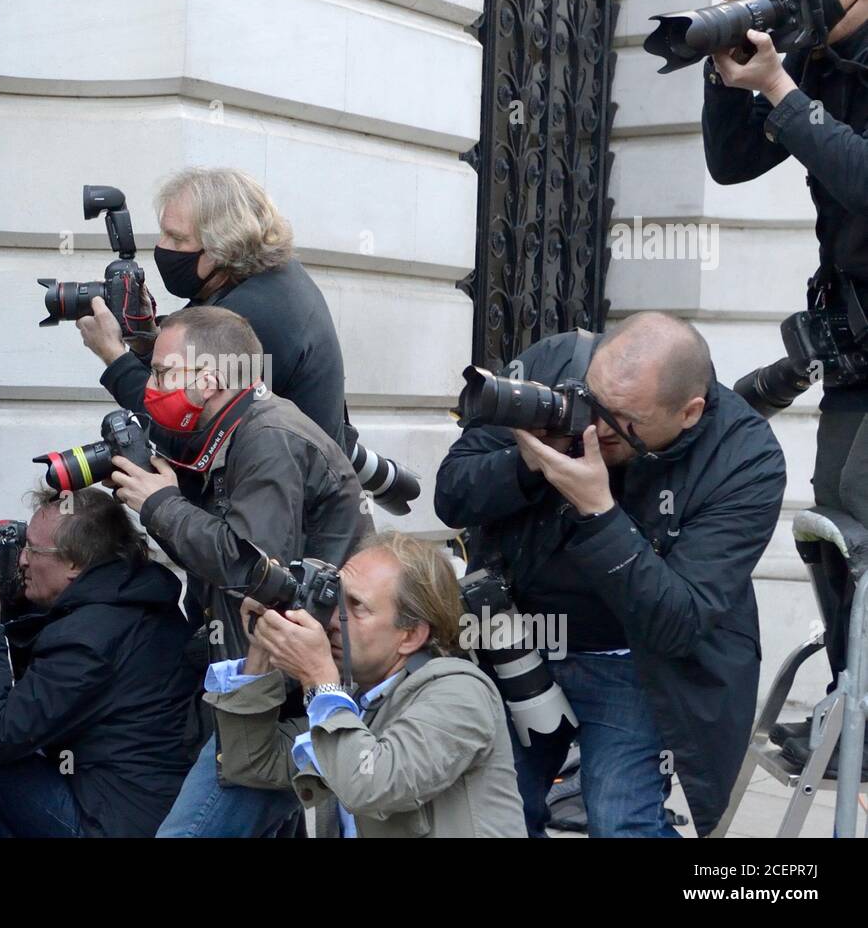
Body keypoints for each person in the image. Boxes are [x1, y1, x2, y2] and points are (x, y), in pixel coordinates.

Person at [435, 313, 786, 837]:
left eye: (621, 418)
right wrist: (528, 465)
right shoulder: (555, 364)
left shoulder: (744, 458)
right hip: (514, 633)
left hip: (636, 660)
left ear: (688, 413)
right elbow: (451, 494)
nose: (593, 427)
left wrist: (598, 510)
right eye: (589, 400)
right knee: (492, 814)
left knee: (621, 820)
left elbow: (678, 619)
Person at [702, 0, 868, 771]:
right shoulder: (815, 58)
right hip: (854, 350)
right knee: (832, 531)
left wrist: (782, 93)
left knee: (861, 531)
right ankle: (855, 717)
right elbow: (730, 166)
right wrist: (728, 64)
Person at [107, 305, 372, 837]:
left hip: (286, 691)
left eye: (162, 372)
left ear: (208, 380)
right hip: (267, 685)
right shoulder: (243, 427)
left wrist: (160, 504)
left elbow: (252, 567)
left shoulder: (268, 435)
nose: (153, 386)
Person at [0, 486, 195, 837]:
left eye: (33, 549)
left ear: (75, 563)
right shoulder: (133, 600)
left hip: (103, 824)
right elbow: (37, 704)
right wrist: (17, 604)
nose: (21, 560)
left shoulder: (88, 636)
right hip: (142, 810)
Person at [205, 532, 526, 838]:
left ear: (411, 635)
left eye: (355, 606)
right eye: (334, 598)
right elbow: (252, 763)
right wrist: (262, 650)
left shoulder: (460, 692)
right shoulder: (361, 703)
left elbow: (373, 784)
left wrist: (319, 679)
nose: (331, 620)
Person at [77, 166, 347, 447]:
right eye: (163, 234)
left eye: (177, 238)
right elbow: (186, 374)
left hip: (281, 486)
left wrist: (114, 356)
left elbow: (181, 431)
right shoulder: (254, 278)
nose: (162, 247)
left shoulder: (252, 316)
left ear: (223, 248)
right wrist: (147, 339)